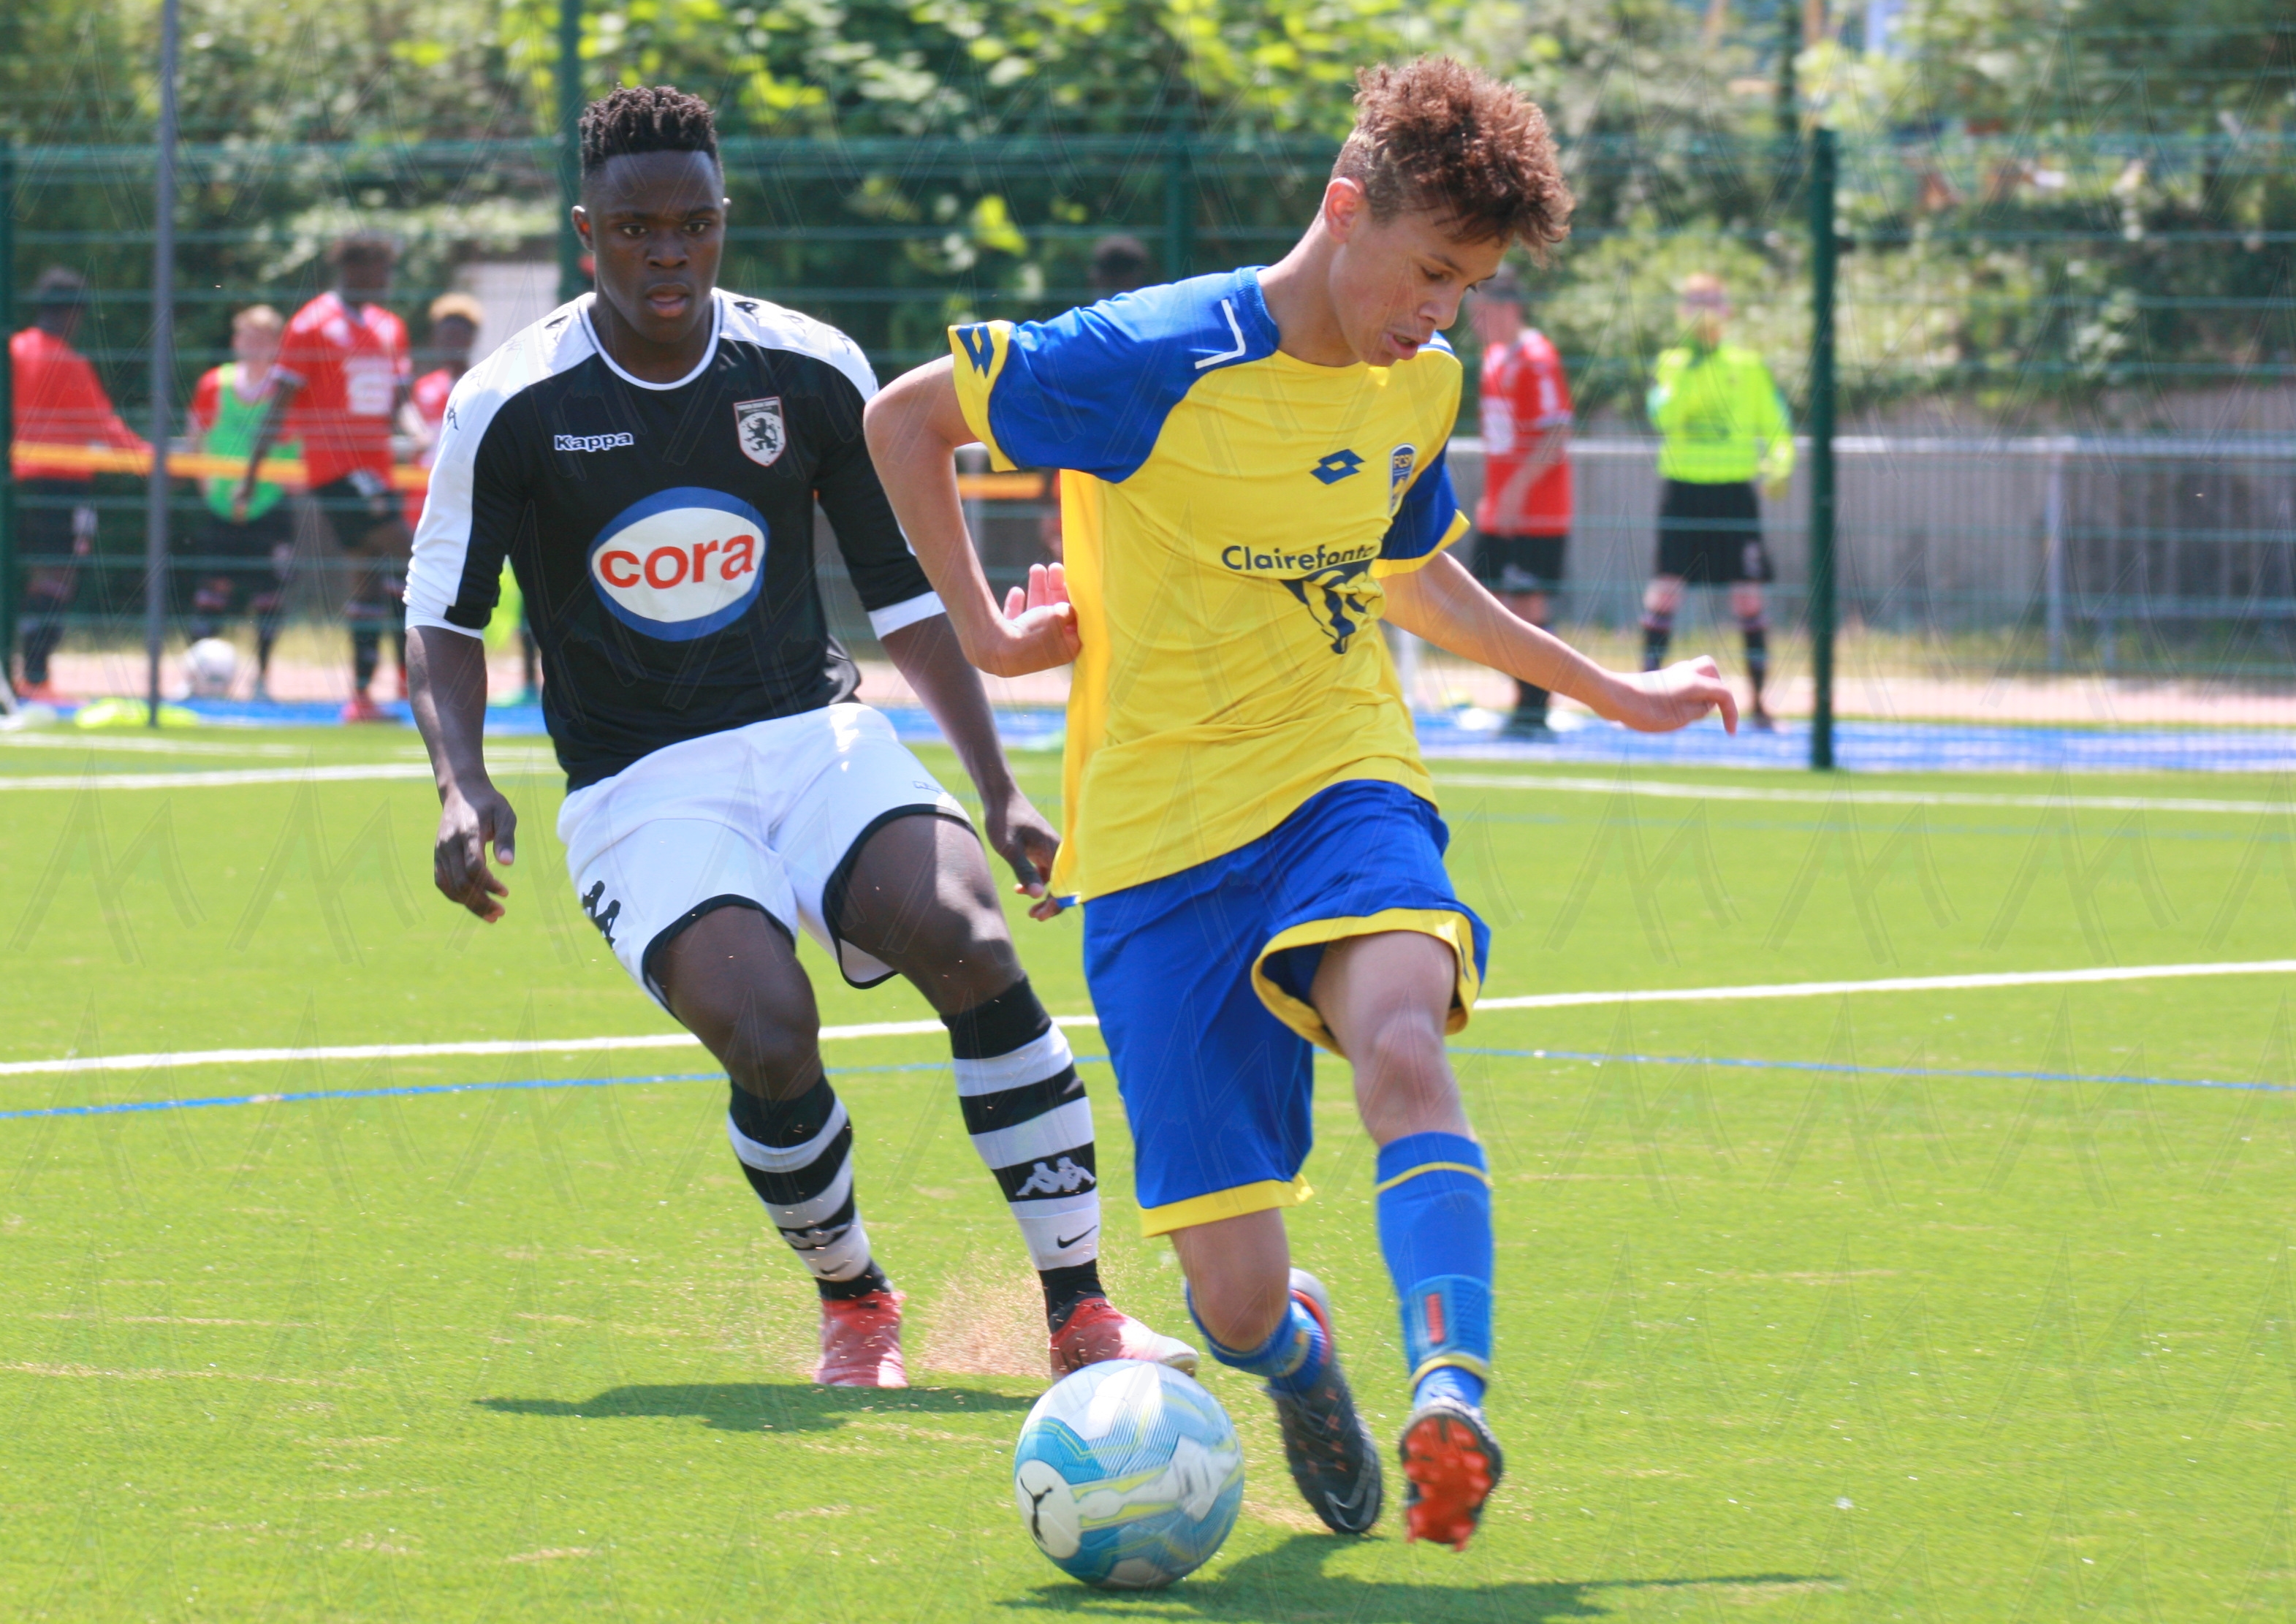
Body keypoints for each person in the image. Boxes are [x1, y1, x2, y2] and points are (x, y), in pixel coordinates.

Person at [866, 58, 1738, 1547]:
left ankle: (1451, 1397)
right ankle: (1296, 1357)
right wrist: (993, 636)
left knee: (1402, 1036)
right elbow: (902, 422)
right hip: (1152, 841)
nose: (1440, 312)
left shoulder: (1420, 384)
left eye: (1467, 286)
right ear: (1345, 209)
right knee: (1232, 1300)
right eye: (1430, 271)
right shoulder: (1150, 354)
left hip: (1339, 776)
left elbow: (1408, 572)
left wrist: (1611, 689)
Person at [402, 86, 1193, 1390]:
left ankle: (1082, 1311)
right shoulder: (510, 400)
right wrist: (460, 781)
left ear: (723, 221)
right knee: (768, 1031)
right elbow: (443, 615)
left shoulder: (809, 366)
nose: (670, 254)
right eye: (637, 230)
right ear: (586, 233)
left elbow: (904, 597)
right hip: (640, 785)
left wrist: (998, 787)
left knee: (974, 941)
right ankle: (856, 1299)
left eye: (696, 225)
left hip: (814, 735)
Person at [233, 234, 412, 722]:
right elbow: (280, 404)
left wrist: (420, 432)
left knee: (367, 578)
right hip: (337, 469)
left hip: (377, 469)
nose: (386, 280)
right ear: (355, 269)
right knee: (416, 557)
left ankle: (362, 697)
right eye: (380, 269)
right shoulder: (311, 325)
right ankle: (431, 673)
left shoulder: (390, 327)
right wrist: (251, 475)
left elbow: (400, 400)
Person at [1639, 272, 1793, 731]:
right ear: (1680, 313)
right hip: (1684, 491)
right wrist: (1690, 366)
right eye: (1694, 302)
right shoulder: (1672, 363)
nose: (1703, 311)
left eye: (1711, 301)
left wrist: (1780, 463)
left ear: (1727, 310)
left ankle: (1760, 705)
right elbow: (1663, 416)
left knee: (1748, 598)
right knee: (1664, 593)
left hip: (1733, 496)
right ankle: (1642, 698)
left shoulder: (1747, 365)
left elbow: (1777, 425)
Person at [9, 267, 145, 700]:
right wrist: (150, 460)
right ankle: (35, 677)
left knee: (30, 574)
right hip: (61, 484)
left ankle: (24, 675)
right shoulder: (68, 362)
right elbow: (102, 426)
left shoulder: (14, 351)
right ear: (73, 313)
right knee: (58, 578)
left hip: (17, 483)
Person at [402, 292, 536, 699]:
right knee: (430, 600)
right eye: (446, 332)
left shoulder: (487, 383)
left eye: (461, 333)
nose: (452, 340)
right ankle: (420, 685)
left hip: (484, 507)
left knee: (517, 592)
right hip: (426, 509)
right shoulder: (421, 389)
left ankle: (530, 680)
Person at [1466, 269, 1573, 739]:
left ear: (1509, 308)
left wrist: (1514, 491)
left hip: (1538, 513)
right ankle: (1525, 704)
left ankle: (1534, 711)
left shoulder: (1537, 357)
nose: (1475, 322)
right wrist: (1494, 495)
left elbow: (1557, 433)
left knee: (1528, 606)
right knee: (1493, 605)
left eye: (1482, 311)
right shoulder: (1493, 359)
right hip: (1502, 511)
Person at [183, 305, 298, 697]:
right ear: (236, 341)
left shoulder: (286, 388)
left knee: (269, 594)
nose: (254, 344)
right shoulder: (215, 384)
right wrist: (205, 483)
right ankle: (197, 679)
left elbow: (298, 440)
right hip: (222, 505)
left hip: (269, 504)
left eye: (263, 337)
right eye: (247, 336)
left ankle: (262, 678)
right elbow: (196, 434)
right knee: (211, 589)